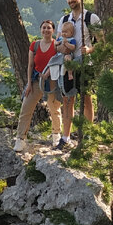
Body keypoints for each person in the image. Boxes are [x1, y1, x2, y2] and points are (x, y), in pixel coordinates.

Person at [57, 0, 101, 140]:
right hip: (68, 65)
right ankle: (65, 138)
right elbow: (57, 44)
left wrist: (89, 50)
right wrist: (63, 49)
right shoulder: (64, 20)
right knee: (68, 100)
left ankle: (88, 135)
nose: (71, 0)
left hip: (85, 64)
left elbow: (102, 42)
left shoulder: (91, 18)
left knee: (86, 99)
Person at [13, 21, 62, 152]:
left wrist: (48, 74)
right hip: (36, 80)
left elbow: (58, 62)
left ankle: (56, 134)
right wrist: (29, 83)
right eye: (44, 27)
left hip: (52, 81)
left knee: (54, 108)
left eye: (49, 28)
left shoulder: (56, 45)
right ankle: (20, 139)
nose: (46, 30)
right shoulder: (34, 45)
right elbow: (30, 65)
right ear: (40, 29)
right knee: (26, 108)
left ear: (53, 30)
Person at [40, 20, 77, 148]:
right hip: (59, 58)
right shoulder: (60, 38)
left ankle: (70, 73)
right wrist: (59, 44)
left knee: (67, 60)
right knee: (53, 62)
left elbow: (72, 48)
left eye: (67, 32)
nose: (65, 34)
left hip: (67, 58)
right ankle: (46, 74)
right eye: (63, 32)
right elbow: (56, 46)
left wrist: (66, 44)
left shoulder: (72, 40)